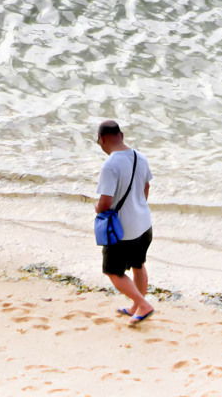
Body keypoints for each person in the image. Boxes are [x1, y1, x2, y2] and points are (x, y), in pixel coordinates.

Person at [94, 119, 154, 325]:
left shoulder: (110, 165)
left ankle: (143, 304)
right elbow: (145, 188)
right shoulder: (141, 157)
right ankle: (136, 308)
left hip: (123, 230)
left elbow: (105, 202)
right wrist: (136, 208)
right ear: (122, 135)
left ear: (101, 139)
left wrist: (97, 208)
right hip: (144, 224)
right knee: (138, 265)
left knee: (113, 271)